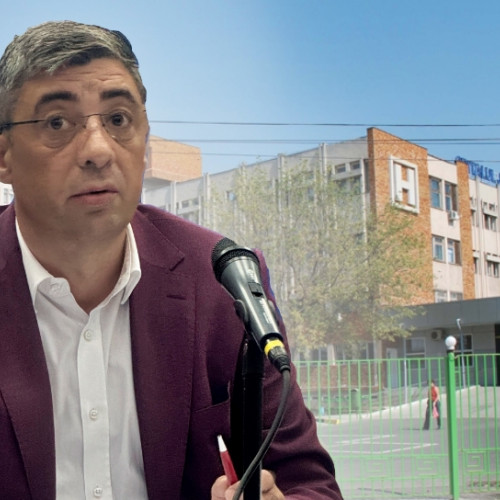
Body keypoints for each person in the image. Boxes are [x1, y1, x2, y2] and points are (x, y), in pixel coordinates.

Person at [0, 21, 343, 500]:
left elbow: (307, 482)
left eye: (119, 119)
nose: (98, 150)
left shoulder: (222, 280)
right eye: (57, 122)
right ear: (4, 154)